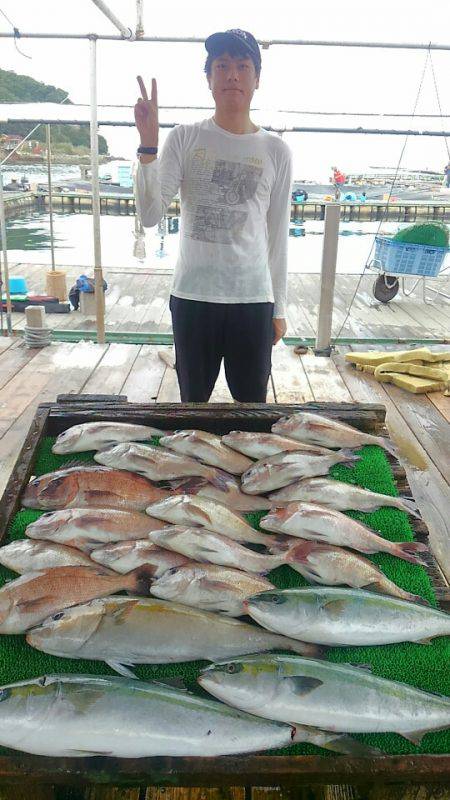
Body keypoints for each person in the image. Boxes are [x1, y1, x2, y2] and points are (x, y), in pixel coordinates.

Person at [134, 29, 293, 402]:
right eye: (221, 66)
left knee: (252, 411)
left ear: (257, 78)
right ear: (209, 79)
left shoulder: (276, 150)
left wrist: (279, 306)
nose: (232, 75)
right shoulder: (185, 138)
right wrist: (147, 146)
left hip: (253, 301)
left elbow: (277, 235)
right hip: (192, 298)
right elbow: (150, 214)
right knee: (192, 407)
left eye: (242, 66)